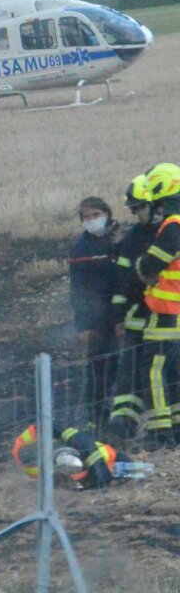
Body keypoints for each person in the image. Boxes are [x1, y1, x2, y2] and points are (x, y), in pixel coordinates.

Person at [134, 163, 180, 449]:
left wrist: (140, 267)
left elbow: (149, 265)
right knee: (175, 375)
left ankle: (160, 433)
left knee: (153, 372)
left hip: (166, 313)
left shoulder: (173, 226)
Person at [109, 175, 158, 440]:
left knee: (163, 379)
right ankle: (120, 429)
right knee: (129, 378)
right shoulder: (133, 238)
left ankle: (162, 430)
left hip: (168, 321)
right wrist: (118, 317)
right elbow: (122, 281)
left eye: (140, 207)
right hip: (137, 320)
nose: (137, 213)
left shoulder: (172, 233)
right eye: (134, 208)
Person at [68, 196, 119, 429]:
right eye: (86, 217)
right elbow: (77, 289)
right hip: (97, 320)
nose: (91, 220)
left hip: (125, 315)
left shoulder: (121, 239)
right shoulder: (81, 249)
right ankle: (97, 421)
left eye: (95, 215)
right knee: (98, 371)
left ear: (107, 214)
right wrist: (83, 326)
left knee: (127, 368)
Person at [12, 424, 126, 489]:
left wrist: (97, 462)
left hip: (109, 460)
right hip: (99, 466)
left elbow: (74, 436)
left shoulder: (44, 435)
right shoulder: (60, 465)